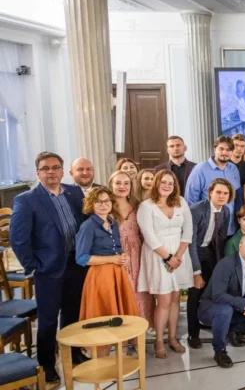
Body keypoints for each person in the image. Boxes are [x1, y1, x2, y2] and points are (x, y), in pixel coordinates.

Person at [10, 152, 89, 382]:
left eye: (55, 167)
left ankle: (74, 352)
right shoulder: (26, 200)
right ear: (38, 173)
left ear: (63, 171)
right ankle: (46, 365)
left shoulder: (74, 192)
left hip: (76, 264)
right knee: (48, 319)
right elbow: (18, 239)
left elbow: (84, 224)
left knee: (73, 313)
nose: (51, 172)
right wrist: (32, 266)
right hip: (48, 269)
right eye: (45, 168)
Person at [75, 187, 139, 356]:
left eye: (106, 201)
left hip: (117, 274)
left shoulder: (113, 222)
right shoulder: (88, 226)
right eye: (98, 202)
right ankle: (101, 360)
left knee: (119, 318)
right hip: (100, 277)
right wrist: (113, 259)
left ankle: (119, 359)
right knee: (103, 318)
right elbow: (82, 258)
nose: (103, 205)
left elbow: (117, 248)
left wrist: (123, 256)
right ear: (91, 204)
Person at [137, 170, 193, 359]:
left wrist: (178, 255)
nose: (167, 186)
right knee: (164, 301)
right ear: (156, 184)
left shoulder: (181, 202)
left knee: (176, 299)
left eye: (171, 183)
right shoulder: (146, 206)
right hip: (158, 255)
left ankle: (173, 338)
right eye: (163, 182)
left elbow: (188, 230)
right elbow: (149, 235)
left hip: (179, 255)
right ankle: (159, 341)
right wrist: (168, 258)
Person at [198, 233, 245, 368]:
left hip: (235, 307)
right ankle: (220, 350)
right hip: (211, 307)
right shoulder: (226, 264)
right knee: (225, 310)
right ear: (240, 246)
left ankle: (227, 330)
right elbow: (218, 296)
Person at [186, 178, 233, 350]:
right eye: (218, 192)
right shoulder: (197, 210)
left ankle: (212, 322)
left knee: (214, 291)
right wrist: (196, 272)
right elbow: (191, 243)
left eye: (225, 193)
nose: (222, 196)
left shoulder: (226, 211)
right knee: (195, 293)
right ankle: (193, 333)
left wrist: (221, 267)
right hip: (193, 252)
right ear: (210, 193)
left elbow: (220, 239)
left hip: (211, 253)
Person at [109, 170, 154, 330]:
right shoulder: (105, 206)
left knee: (140, 292)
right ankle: (123, 332)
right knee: (122, 293)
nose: (122, 186)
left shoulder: (137, 206)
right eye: (118, 183)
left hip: (138, 255)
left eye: (126, 183)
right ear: (111, 185)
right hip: (115, 255)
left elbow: (145, 232)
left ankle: (139, 330)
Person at [184, 136, 241, 235]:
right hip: (207, 229)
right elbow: (190, 201)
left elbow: (236, 197)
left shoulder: (233, 169)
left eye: (228, 150)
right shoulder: (200, 169)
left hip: (230, 227)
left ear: (232, 152)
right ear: (215, 149)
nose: (224, 152)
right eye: (221, 149)